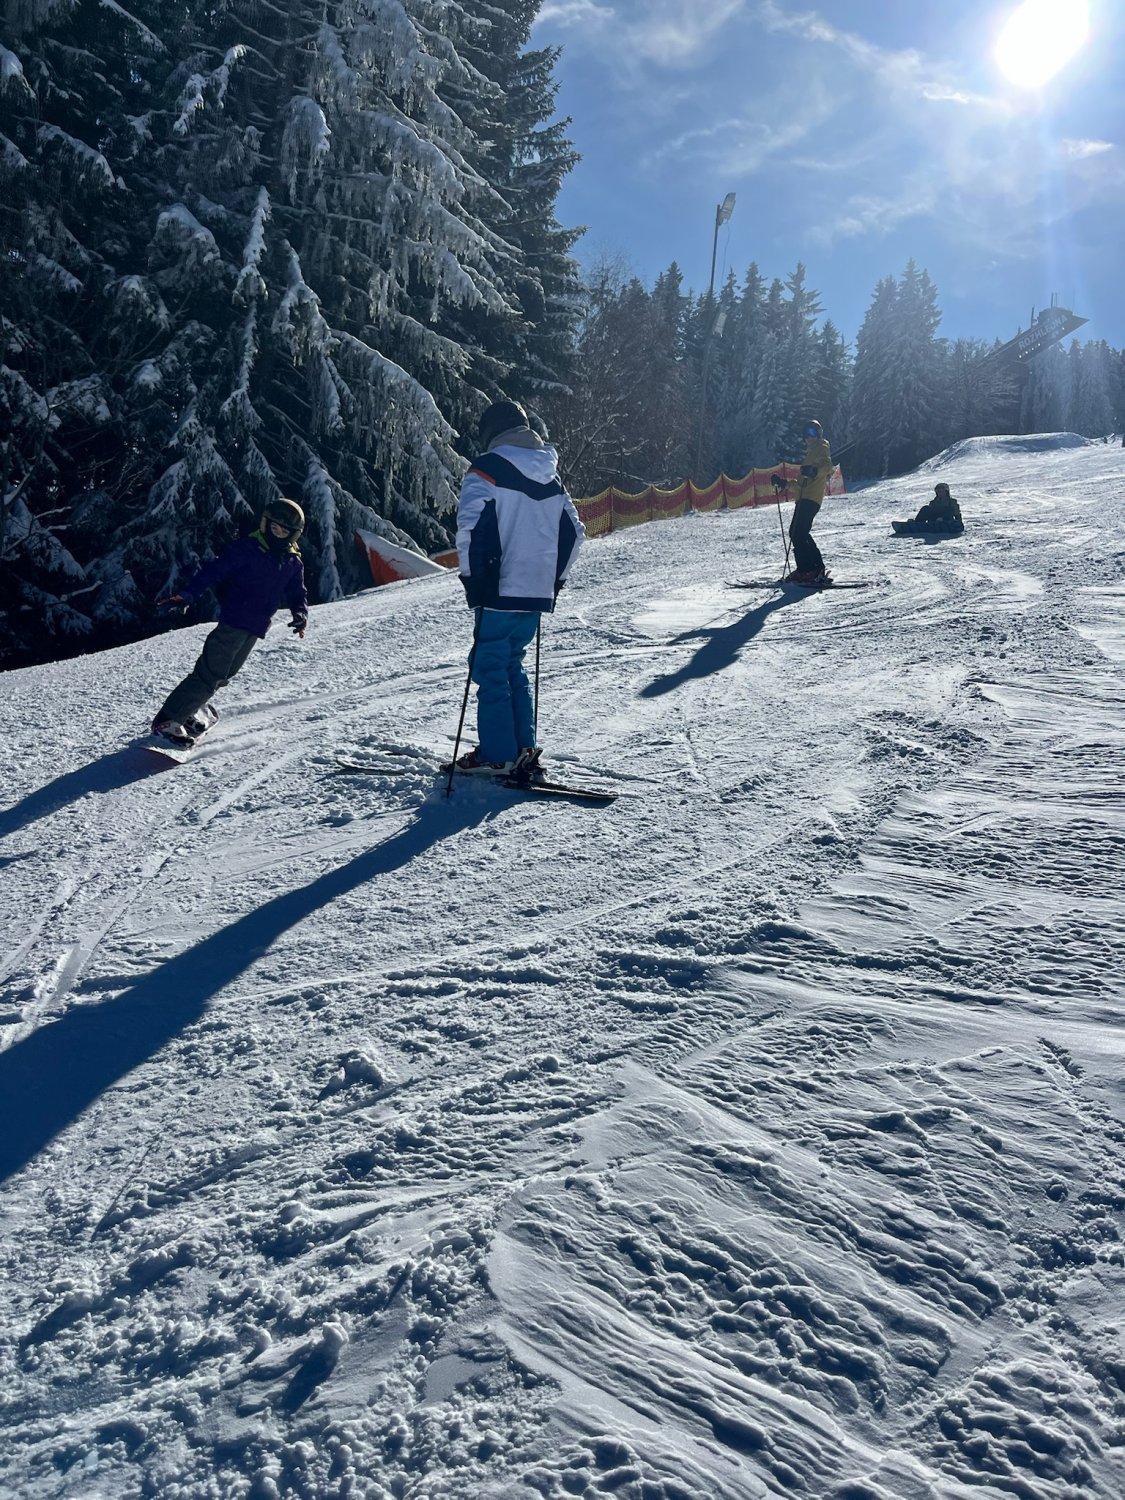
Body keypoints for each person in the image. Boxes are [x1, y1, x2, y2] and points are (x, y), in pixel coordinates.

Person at [454, 399, 584, 774]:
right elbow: (575, 534)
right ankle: (522, 746)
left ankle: (498, 753)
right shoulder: (551, 477)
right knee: (512, 663)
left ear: (491, 433)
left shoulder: (487, 469)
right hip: (535, 591)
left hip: (498, 588)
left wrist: (474, 580)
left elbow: (470, 527)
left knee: (490, 666)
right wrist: (553, 580)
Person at [151, 497, 309, 745]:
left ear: (293, 534)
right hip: (234, 620)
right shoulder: (248, 549)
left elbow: (297, 592)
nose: (277, 534)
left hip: (255, 627)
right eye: (274, 527)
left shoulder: (292, 561)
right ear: (265, 525)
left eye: (283, 531)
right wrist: (188, 594)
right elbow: (214, 571)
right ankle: (168, 719)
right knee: (210, 673)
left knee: (225, 673)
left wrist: (300, 613)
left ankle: (188, 709)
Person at [784, 418, 833, 584]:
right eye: (805, 434)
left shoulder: (821, 447)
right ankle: (813, 568)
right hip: (804, 497)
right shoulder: (809, 454)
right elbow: (801, 485)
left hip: (811, 498)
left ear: (818, 434)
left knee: (798, 532)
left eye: (811, 432)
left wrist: (815, 471)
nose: (808, 437)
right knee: (797, 532)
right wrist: (784, 484)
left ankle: (808, 570)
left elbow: (827, 466)